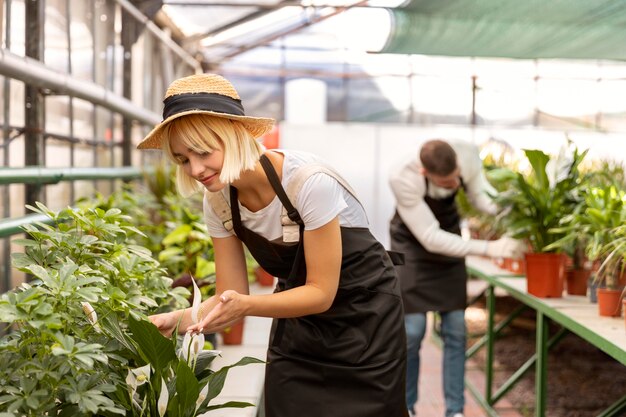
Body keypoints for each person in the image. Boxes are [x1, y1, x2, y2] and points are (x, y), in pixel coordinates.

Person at [139, 73, 409, 417]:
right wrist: (174, 321)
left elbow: (322, 292)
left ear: (234, 137)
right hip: (299, 324)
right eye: (182, 160)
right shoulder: (220, 202)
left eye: (203, 153)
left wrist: (247, 305)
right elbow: (230, 295)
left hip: (366, 324)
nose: (195, 169)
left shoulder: (308, 182)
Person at [388, 139, 526, 417]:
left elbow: (480, 196)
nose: (454, 184)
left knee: (456, 329)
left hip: (448, 237)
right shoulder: (402, 176)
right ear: (425, 173)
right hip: (413, 245)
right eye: (446, 182)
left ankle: (455, 411)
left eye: (456, 178)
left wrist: (508, 210)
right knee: (412, 332)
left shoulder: (466, 154)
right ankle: (407, 407)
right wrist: (489, 248)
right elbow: (429, 238)